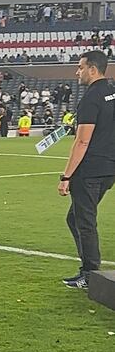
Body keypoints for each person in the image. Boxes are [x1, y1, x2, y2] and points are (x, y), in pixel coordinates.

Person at [59, 51, 115, 289]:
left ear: (93, 69)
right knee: (75, 218)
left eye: (80, 67)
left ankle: (90, 275)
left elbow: (82, 142)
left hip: (90, 170)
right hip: (108, 168)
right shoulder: (111, 92)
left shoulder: (91, 98)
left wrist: (66, 175)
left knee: (84, 221)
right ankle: (89, 270)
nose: (77, 72)